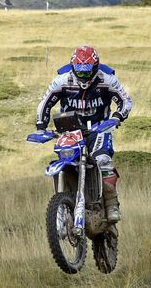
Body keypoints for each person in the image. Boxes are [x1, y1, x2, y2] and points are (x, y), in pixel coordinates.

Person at [34, 45, 132, 223]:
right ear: (73, 68)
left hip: (99, 127)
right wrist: (41, 127)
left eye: (87, 73)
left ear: (95, 68)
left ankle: (111, 204)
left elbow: (125, 101)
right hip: (71, 130)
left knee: (103, 160)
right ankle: (63, 203)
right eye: (80, 72)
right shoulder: (62, 80)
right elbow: (45, 103)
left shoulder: (107, 79)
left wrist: (116, 118)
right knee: (63, 160)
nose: (83, 77)